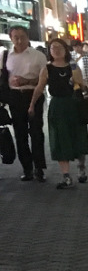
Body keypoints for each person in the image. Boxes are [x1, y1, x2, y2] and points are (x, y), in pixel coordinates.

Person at [30, 36, 88, 189]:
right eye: (53, 48)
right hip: (57, 106)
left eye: (59, 47)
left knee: (78, 136)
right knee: (59, 138)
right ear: (49, 51)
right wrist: (32, 104)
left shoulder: (73, 65)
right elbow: (39, 87)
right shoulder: (47, 68)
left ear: (65, 50)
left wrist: (78, 82)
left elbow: (82, 85)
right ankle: (66, 176)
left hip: (74, 104)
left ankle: (81, 167)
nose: (56, 50)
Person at [6, 25, 48, 181]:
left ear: (28, 37)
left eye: (22, 37)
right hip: (15, 97)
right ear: (11, 38)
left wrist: (27, 80)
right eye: (15, 37)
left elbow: (44, 79)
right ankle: (27, 168)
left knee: (36, 133)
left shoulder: (38, 56)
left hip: (34, 95)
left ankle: (39, 168)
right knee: (20, 134)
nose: (19, 40)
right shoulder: (6, 56)